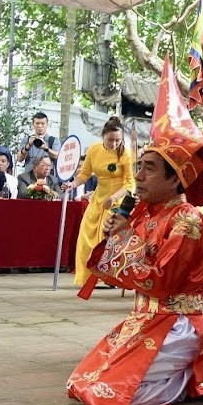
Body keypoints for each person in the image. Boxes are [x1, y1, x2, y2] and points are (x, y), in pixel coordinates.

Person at [67, 124, 203, 405]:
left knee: (105, 392)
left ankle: (183, 381)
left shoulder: (188, 222)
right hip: (144, 319)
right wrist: (117, 237)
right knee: (81, 382)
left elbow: (161, 282)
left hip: (175, 323)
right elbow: (114, 275)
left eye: (149, 169)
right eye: (140, 167)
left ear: (175, 179)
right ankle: (180, 378)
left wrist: (126, 238)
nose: (138, 176)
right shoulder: (144, 214)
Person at [66, 117, 134, 285]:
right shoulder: (94, 150)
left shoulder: (125, 153)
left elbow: (130, 183)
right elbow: (85, 174)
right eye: (110, 140)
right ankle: (87, 277)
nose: (114, 143)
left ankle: (107, 278)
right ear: (103, 136)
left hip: (117, 199)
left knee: (106, 238)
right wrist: (72, 184)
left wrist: (114, 197)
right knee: (86, 235)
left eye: (118, 140)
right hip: (98, 198)